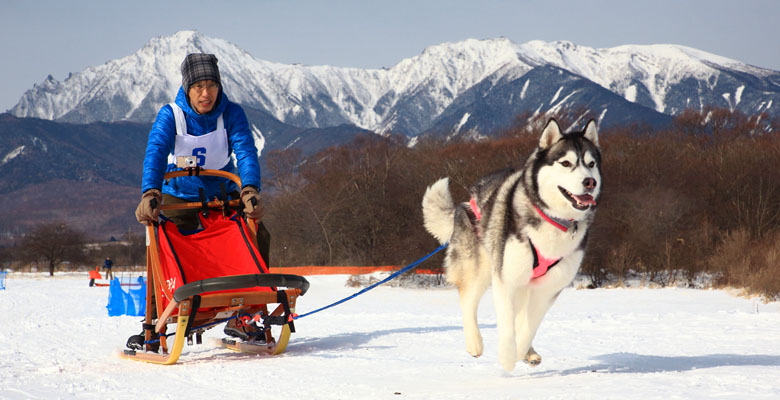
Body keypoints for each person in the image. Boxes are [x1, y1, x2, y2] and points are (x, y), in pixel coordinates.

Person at [134, 53, 269, 342]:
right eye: (198, 87)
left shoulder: (231, 113)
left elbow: (245, 151)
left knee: (256, 233)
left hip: (222, 195)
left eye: (211, 85)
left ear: (219, 87)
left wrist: (250, 190)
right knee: (161, 239)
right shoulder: (170, 115)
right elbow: (156, 152)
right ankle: (157, 318)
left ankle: (247, 313)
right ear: (187, 88)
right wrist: (150, 192)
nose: (205, 94)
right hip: (180, 196)